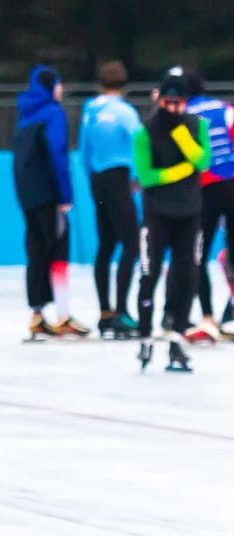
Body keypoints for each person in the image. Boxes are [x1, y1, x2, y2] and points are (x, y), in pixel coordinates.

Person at [132, 72, 211, 372]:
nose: (173, 109)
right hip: (157, 215)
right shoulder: (145, 132)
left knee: (188, 275)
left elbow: (203, 161)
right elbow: (147, 176)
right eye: (168, 103)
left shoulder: (195, 126)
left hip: (189, 214)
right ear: (159, 100)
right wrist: (182, 169)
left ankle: (177, 337)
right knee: (149, 275)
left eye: (179, 104)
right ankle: (145, 336)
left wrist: (181, 136)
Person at [12, 64, 91, 339]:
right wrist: (65, 195)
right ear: (49, 86)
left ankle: (37, 314)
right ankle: (63, 313)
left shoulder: (24, 114)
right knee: (58, 250)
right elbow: (58, 153)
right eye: (58, 83)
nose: (62, 89)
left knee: (36, 251)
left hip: (28, 195)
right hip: (48, 195)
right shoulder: (53, 113)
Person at [78, 60, 142, 339]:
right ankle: (121, 311)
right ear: (123, 85)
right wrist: (138, 177)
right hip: (119, 179)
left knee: (105, 244)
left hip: (98, 180)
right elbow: (139, 143)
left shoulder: (89, 112)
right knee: (131, 243)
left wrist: (92, 179)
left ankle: (104, 312)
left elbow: (83, 150)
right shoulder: (125, 112)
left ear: (99, 84)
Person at [179, 69, 234, 342]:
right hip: (232, 185)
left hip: (202, 190)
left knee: (196, 254)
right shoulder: (225, 109)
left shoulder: (182, 114)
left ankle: (208, 318)